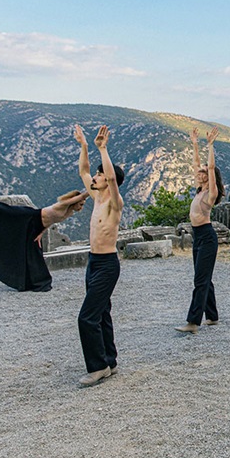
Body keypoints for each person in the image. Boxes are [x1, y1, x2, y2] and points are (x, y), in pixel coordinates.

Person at [0, 188, 89, 292]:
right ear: (75, 201)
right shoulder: (63, 206)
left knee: (32, 253)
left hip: (36, 226)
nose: (81, 207)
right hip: (28, 217)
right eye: (80, 204)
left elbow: (50, 221)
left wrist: (40, 233)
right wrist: (96, 187)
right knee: (1, 210)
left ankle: (32, 282)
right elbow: (82, 195)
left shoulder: (69, 212)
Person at [74, 124, 125, 387]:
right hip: (93, 262)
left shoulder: (115, 204)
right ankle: (110, 361)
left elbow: (114, 179)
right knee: (102, 312)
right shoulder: (95, 198)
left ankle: (98, 367)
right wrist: (84, 146)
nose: (94, 177)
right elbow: (83, 170)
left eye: (99, 174)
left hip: (107, 264)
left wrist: (103, 149)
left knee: (87, 317)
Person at [176, 126, 225, 335]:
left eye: (204, 171)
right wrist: (195, 143)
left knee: (200, 280)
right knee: (203, 276)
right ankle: (212, 316)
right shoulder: (199, 189)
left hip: (207, 236)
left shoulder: (211, 194)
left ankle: (193, 322)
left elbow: (211, 168)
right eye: (201, 172)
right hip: (198, 236)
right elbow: (196, 164)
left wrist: (210, 146)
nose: (201, 172)